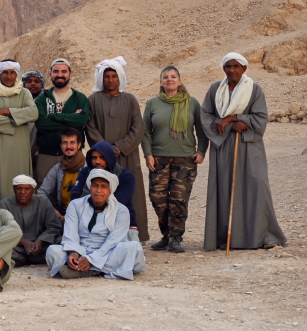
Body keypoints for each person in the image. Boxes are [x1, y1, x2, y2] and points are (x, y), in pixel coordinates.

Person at [200, 53, 285, 251]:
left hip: (249, 146)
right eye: (228, 66)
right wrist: (228, 125)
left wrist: (233, 119)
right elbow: (206, 116)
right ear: (224, 69)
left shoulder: (254, 89)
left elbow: (261, 118)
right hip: (222, 147)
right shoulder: (215, 89)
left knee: (257, 187)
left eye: (236, 66)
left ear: (244, 68)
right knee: (224, 189)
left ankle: (265, 236)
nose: (232, 70)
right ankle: (226, 238)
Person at [142, 66, 209, 253]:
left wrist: (201, 151)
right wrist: (148, 154)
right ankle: (166, 234)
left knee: (179, 199)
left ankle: (175, 237)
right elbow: (145, 131)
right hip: (158, 159)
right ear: (161, 82)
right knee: (158, 198)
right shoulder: (153, 103)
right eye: (165, 77)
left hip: (185, 159)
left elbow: (202, 130)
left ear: (179, 81)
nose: (169, 79)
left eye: (173, 76)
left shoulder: (192, 103)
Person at [86, 57, 147, 241]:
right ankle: (102, 235)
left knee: (131, 195)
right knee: (101, 192)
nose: (110, 80)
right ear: (101, 79)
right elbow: (90, 127)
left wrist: (120, 146)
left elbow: (138, 128)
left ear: (120, 78)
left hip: (127, 157)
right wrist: (105, 151)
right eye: (107, 77)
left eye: (114, 76)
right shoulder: (93, 100)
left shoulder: (130, 100)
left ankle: (134, 235)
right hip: (101, 159)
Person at [47, 169, 146, 280]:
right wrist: (74, 252)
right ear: (90, 187)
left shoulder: (121, 210)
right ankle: (96, 268)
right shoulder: (75, 205)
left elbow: (114, 241)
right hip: (81, 250)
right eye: (95, 185)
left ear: (110, 190)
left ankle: (88, 269)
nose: (98, 190)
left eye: (103, 186)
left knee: (134, 247)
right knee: (53, 251)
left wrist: (91, 259)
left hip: (108, 252)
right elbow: (71, 232)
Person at [0, 60, 38, 199]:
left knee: (20, 181)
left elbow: (34, 113)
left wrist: (8, 111)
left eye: (12, 73)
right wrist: (18, 121)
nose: (9, 76)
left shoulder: (24, 92)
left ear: (17, 75)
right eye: (5, 72)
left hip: (20, 148)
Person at [33, 59, 89, 183]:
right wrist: (71, 118)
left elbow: (81, 120)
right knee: (45, 194)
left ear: (70, 74)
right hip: (47, 155)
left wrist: (53, 116)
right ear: (50, 74)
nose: (60, 75)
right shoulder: (42, 99)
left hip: (73, 155)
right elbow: (41, 124)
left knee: (74, 193)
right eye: (56, 71)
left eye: (64, 71)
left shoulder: (79, 98)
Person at [70, 141, 139, 233]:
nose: (97, 161)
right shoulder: (85, 172)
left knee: (132, 247)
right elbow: (75, 196)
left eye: (102, 157)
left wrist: (88, 201)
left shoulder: (125, 177)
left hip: (119, 222)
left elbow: (117, 203)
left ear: (110, 157)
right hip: (86, 221)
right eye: (94, 158)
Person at [1, 175, 62, 266]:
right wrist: (23, 242)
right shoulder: (5, 204)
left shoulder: (43, 201)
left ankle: (21, 260)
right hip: (17, 247)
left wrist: (40, 241)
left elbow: (54, 226)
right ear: (14, 189)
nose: (22, 192)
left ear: (33, 190)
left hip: (41, 247)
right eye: (19, 188)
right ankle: (24, 259)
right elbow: (2, 230)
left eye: (27, 189)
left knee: (62, 241)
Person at [38, 128, 85, 218]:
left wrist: (70, 217)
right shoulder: (57, 168)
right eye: (65, 143)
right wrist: (54, 212)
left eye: (72, 142)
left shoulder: (88, 168)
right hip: (61, 210)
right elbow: (41, 192)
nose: (68, 146)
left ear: (79, 145)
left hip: (82, 213)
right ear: (60, 146)